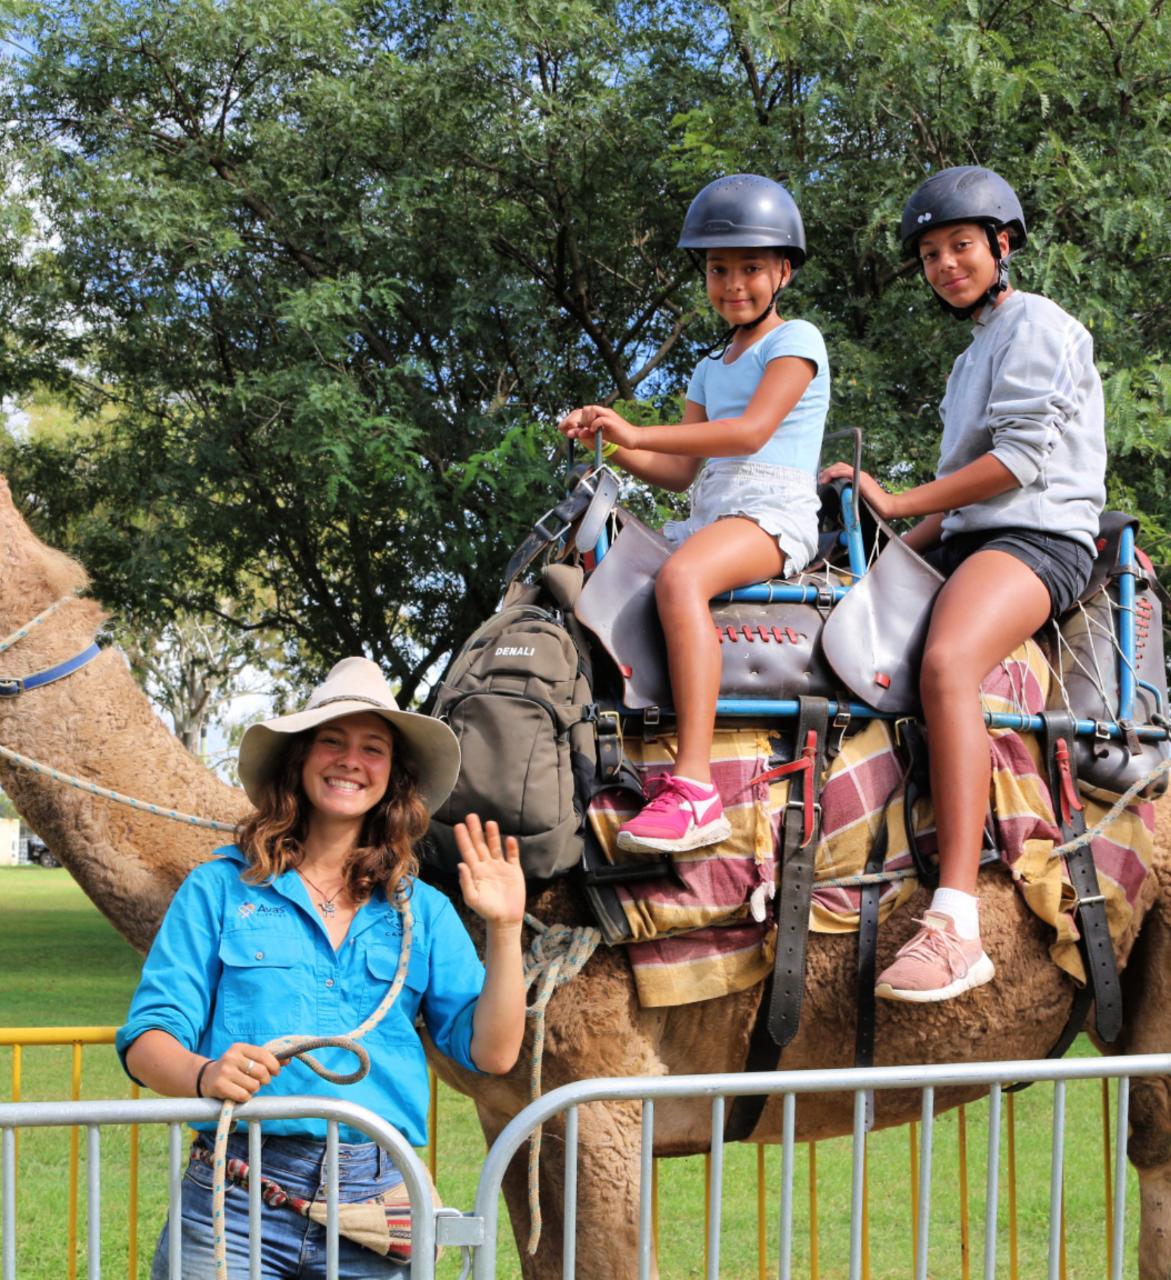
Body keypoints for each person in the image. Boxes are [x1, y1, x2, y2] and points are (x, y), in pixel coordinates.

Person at [117, 656, 526, 1279]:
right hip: (236, 1198)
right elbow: (147, 1040)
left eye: (373, 747)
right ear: (299, 759)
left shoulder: (423, 912)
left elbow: (493, 1053)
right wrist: (205, 1074)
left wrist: (505, 928)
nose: (350, 760)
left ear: (393, 776)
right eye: (331, 740)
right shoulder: (219, 890)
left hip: (376, 1202)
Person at [822, 166, 1105, 1003]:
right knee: (841, 636)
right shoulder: (970, 358)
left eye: (961, 247)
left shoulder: (1039, 327)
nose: (946, 265)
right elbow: (951, 509)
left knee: (947, 664)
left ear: (1002, 246)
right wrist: (879, 561)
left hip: (1038, 539)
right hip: (969, 539)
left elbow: (1017, 463)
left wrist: (897, 499)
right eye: (932, 254)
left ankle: (957, 922)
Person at [559, 174, 830, 854]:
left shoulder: (795, 340)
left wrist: (640, 431)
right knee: (603, 570)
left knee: (681, 581)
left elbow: (749, 434)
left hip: (771, 512)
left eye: (749, 268)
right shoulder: (711, 365)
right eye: (718, 269)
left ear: (783, 272)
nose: (732, 283)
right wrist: (613, 444)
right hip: (714, 513)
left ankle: (696, 788)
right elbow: (682, 473)